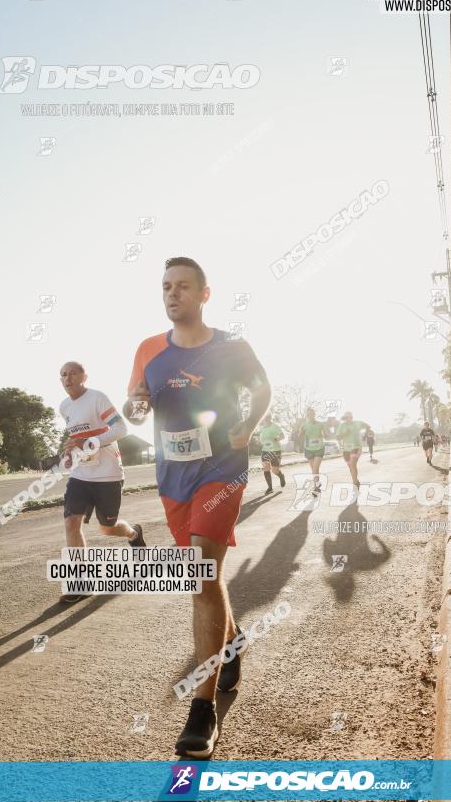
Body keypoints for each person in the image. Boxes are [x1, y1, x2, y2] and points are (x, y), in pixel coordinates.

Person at [124, 257, 271, 759]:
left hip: (222, 468)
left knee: (202, 570)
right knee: (204, 578)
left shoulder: (232, 346)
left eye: (183, 286)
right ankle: (231, 638)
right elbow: (134, 405)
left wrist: (247, 429)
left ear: (204, 294)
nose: (172, 294)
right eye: (166, 286)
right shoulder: (148, 349)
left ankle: (201, 710)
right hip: (173, 476)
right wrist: (138, 405)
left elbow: (263, 387)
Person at [58, 361, 145, 605]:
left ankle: (134, 533)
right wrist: (70, 453)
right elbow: (77, 439)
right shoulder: (64, 407)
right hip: (81, 474)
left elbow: (121, 428)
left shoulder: (97, 398)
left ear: (85, 376)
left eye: (73, 373)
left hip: (108, 474)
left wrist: (89, 442)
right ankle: (80, 583)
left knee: (108, 528)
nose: (68, 378)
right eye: (63, 375)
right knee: (71, 523)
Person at [335, 412, 369, 490]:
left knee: (353, 464)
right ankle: (356, 481)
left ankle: (354, 485)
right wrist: (345, 434)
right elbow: (337, 437)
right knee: (351, 467)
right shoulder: (342, 425)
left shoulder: (357, 423)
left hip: (356, 447)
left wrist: (364, 435)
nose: (348, 419)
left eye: (349, 417)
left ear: (352, 417)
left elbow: (368, 426)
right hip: (346, 449)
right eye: (346, 417)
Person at [298, 407, 327, 496]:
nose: (310, 415)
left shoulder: (320, 424)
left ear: (314, 414)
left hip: (319, 448)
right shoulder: (304, 425)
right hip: (309, 449)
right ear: (307, 415)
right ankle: (317, 486)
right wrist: (301, 433)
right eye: (308, 414)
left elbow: (326, 435)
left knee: (315, 468)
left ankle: (315, 487)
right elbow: (299, 436)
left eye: (312, 414)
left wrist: (325, 434)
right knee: (314, 470)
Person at [258, 414, 286, 494]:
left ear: (270, 418)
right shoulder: (262, 428)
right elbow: (262, 439)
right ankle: (270, 488)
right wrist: (261, 442)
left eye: (267, 417)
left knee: (274, 470)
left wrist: (277, 438)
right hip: (265, 451)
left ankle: (281, 476)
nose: (266, 419)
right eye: (265, 417)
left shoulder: (275, 427)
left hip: (275, 450)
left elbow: (282, 436)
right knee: (266, 467)